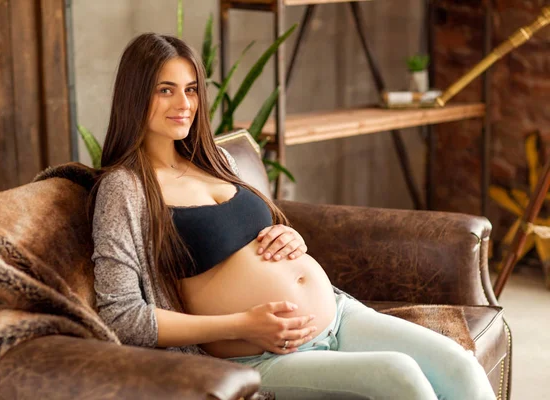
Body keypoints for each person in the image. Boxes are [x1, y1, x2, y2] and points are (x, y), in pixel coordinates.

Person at [90, 32, 496, 400]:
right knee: (399, 374)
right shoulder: (125, 188)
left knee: (458, 365)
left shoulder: (218, 160)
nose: (184, 105)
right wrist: (243, 325)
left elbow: (251, 237)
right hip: (260, 354)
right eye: (166, 90)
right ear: (136, 95)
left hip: (338, 314)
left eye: (192, 89)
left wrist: (290, 237)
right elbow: (123, 317)